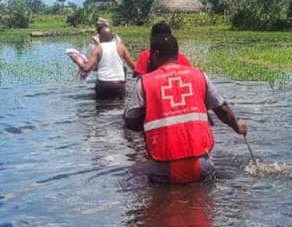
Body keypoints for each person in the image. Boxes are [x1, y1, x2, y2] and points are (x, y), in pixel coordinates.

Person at [124, 33, 247, 184]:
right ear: (177, 52)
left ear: (156, 54)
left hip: (164, 165)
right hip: (200, 163)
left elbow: (131, 121)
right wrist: (237, 126)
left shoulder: (145, 82)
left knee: (160, 202)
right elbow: (222, 109)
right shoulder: (199, 75)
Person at [69, 27, 135, 99]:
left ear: (99, 38)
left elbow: (86, 68)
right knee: (120, 107)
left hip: (103, 84)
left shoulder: (98, 48)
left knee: (102, 108)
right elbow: (134, 66)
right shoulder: (121, 47)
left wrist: (76, 59)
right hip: (118, 84)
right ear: (113, 37)